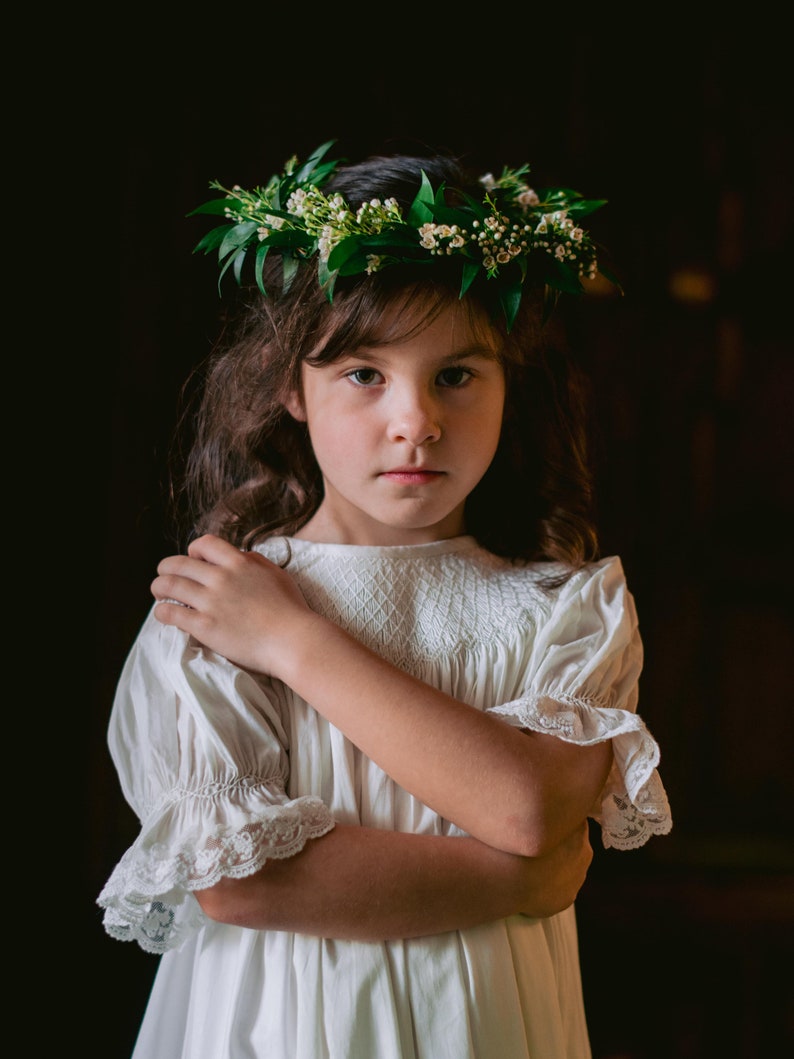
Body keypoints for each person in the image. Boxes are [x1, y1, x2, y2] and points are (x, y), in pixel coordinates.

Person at [98, 139, 673, 1059]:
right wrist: (516, 883)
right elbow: (242, 883)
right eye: (364, 374)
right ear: (291, 385)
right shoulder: (219, 606)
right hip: (281, 1030)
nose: (416, 421)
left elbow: (527, 808)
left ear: (508, 386)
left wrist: (297, 644)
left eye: (457, 374)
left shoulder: (567, 608)